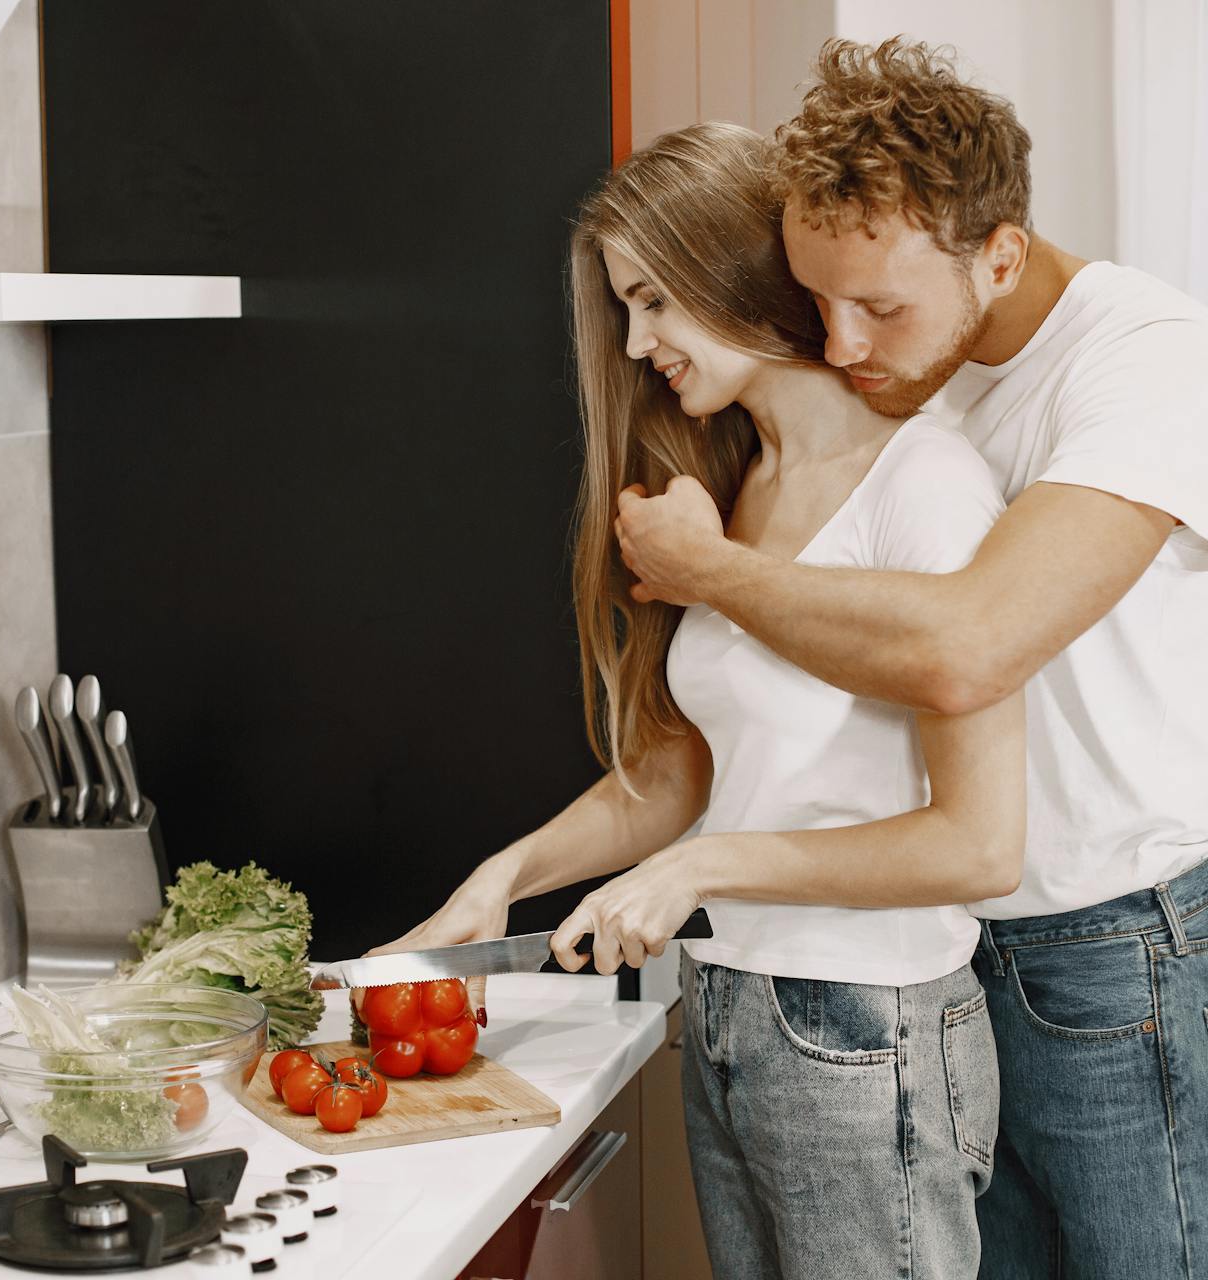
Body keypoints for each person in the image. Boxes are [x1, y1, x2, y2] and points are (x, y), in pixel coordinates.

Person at [614, 40, 1208, 1279]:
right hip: (957, 951)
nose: (845, 341)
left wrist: (711, 574)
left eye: (880, 305)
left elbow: (968, 646)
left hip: (1115, 955)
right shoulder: (939, 378)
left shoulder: (1148, 361)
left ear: (1001, 255)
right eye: (818, 302)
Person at [376, 121, 1023, 1278]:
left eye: (655, 301)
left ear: (731, 267)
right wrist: (507, 876)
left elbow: (978, 845)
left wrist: (701, 869)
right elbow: (686, 775)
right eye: (627, 309)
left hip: (867, 1031)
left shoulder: (925, 487)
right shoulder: (737, 491)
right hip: (738, 1013)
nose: (636, 343)